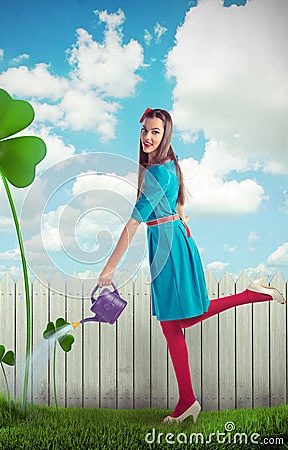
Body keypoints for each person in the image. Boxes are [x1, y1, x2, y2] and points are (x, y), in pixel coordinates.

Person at [98, 108, 286, 423]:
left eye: (155, 131)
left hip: (168, 246)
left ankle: (254, 295)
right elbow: (180, 202)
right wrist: (180, 218)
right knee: (173, 325)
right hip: (172, 240)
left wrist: (109, 267)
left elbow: (132, 223)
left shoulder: (157, 172)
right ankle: (188, 400)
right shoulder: (170, 165)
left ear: (165, 134)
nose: (147, 137)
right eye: (144, 130)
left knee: (178, 320)